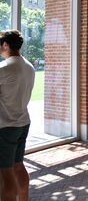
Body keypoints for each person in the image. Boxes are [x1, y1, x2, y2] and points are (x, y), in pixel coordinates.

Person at [0, 30, 35, 201]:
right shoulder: (29, 67)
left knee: (5, 172)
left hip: (5, 126)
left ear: (6, 45)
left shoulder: (4, 68)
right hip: (23, 123)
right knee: (18, 166)